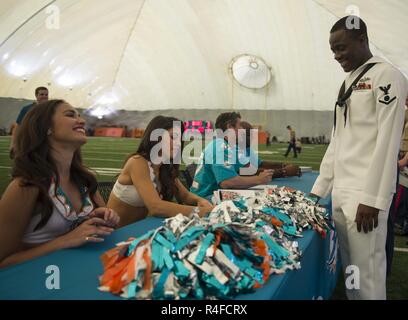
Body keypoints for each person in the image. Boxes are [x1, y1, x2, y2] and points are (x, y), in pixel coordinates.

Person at [310, 16, 408, 300]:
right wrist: (319, 191)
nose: (337, 56)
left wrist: (373, 199)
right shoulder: (349, 81)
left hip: (365, 196)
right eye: (333, 51)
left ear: (362, 40)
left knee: (368, 275)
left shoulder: (387, 76)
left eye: (342, 48)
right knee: (351, 270)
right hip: (342, 193)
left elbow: (388, 142)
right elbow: (338, 140)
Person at [0, 99, 120, 268]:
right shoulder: (26, 187)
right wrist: (65, 241)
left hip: (79, 272)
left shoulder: (85, 179)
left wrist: (104, 218)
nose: (82, 120)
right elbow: (3, 262)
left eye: (79, 115)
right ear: (47, 127)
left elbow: (106, 227)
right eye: (70, 115)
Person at [107, 116, 214, 227]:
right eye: (173, 137)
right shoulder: (137, 162)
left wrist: (200, 200)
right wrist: (206, 212)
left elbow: (185, 196)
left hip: (137, 232)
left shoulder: (165, 167)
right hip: (114, 234)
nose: (178, 143)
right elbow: (155, 207)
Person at [190, 113, 299, 199]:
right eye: (238, 127)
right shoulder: (221, 147)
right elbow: (227, 183)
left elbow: (249, 169)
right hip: (205, 197)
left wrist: (281, 170)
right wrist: (259, 179)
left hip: (211, 193)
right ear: (229, 127)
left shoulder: (227, 146)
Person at [9, 86, 49, 158]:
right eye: (42, 94)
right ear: (36, 96)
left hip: (46, 143)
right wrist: (13, 144)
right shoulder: (27, 109)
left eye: (46, 95)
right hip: (29, 142)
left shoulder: (51, 110)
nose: (44, 96)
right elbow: (18, 127)